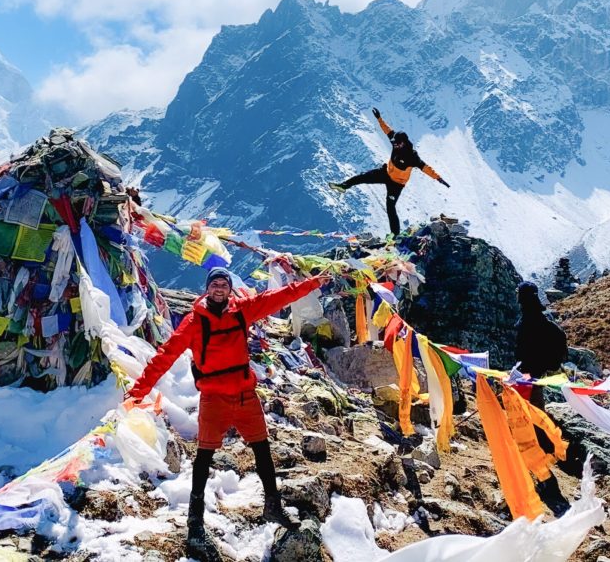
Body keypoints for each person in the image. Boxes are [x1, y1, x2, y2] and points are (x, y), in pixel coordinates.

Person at [125, 267, 329, 560]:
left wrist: (312, 284)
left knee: (262, 449)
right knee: (204, 456)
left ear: (229, 289)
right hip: (214, 397)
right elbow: (165, 355)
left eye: (224, 284)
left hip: (245, 394)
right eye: (214, 284)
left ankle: (272, 505)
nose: (219, 288)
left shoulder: (242, 311)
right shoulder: (194, 322)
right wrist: (138, 391)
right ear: (207, 289)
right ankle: (195, 520)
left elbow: (277, 298)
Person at [329, 108, 449, 236]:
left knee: (390, 208)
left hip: (397, 184)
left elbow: (425, 168)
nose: (394, 145)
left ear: (403, 143)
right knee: (363, 177)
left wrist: (438, 178)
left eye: (397, 144)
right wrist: (379, 118)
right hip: (386, 172)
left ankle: (395, 236)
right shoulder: (395, 140)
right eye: (394, 143)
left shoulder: (412, 156)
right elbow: (387, 130)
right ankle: (344, 186)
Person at [513, 281, 568, 407]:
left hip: (530, 370)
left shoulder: (529, 319)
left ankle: (538, 425)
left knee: (532, 399)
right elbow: (560, 335)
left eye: (518, 293)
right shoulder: (540, 316)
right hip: (535, 369)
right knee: (533, 397)